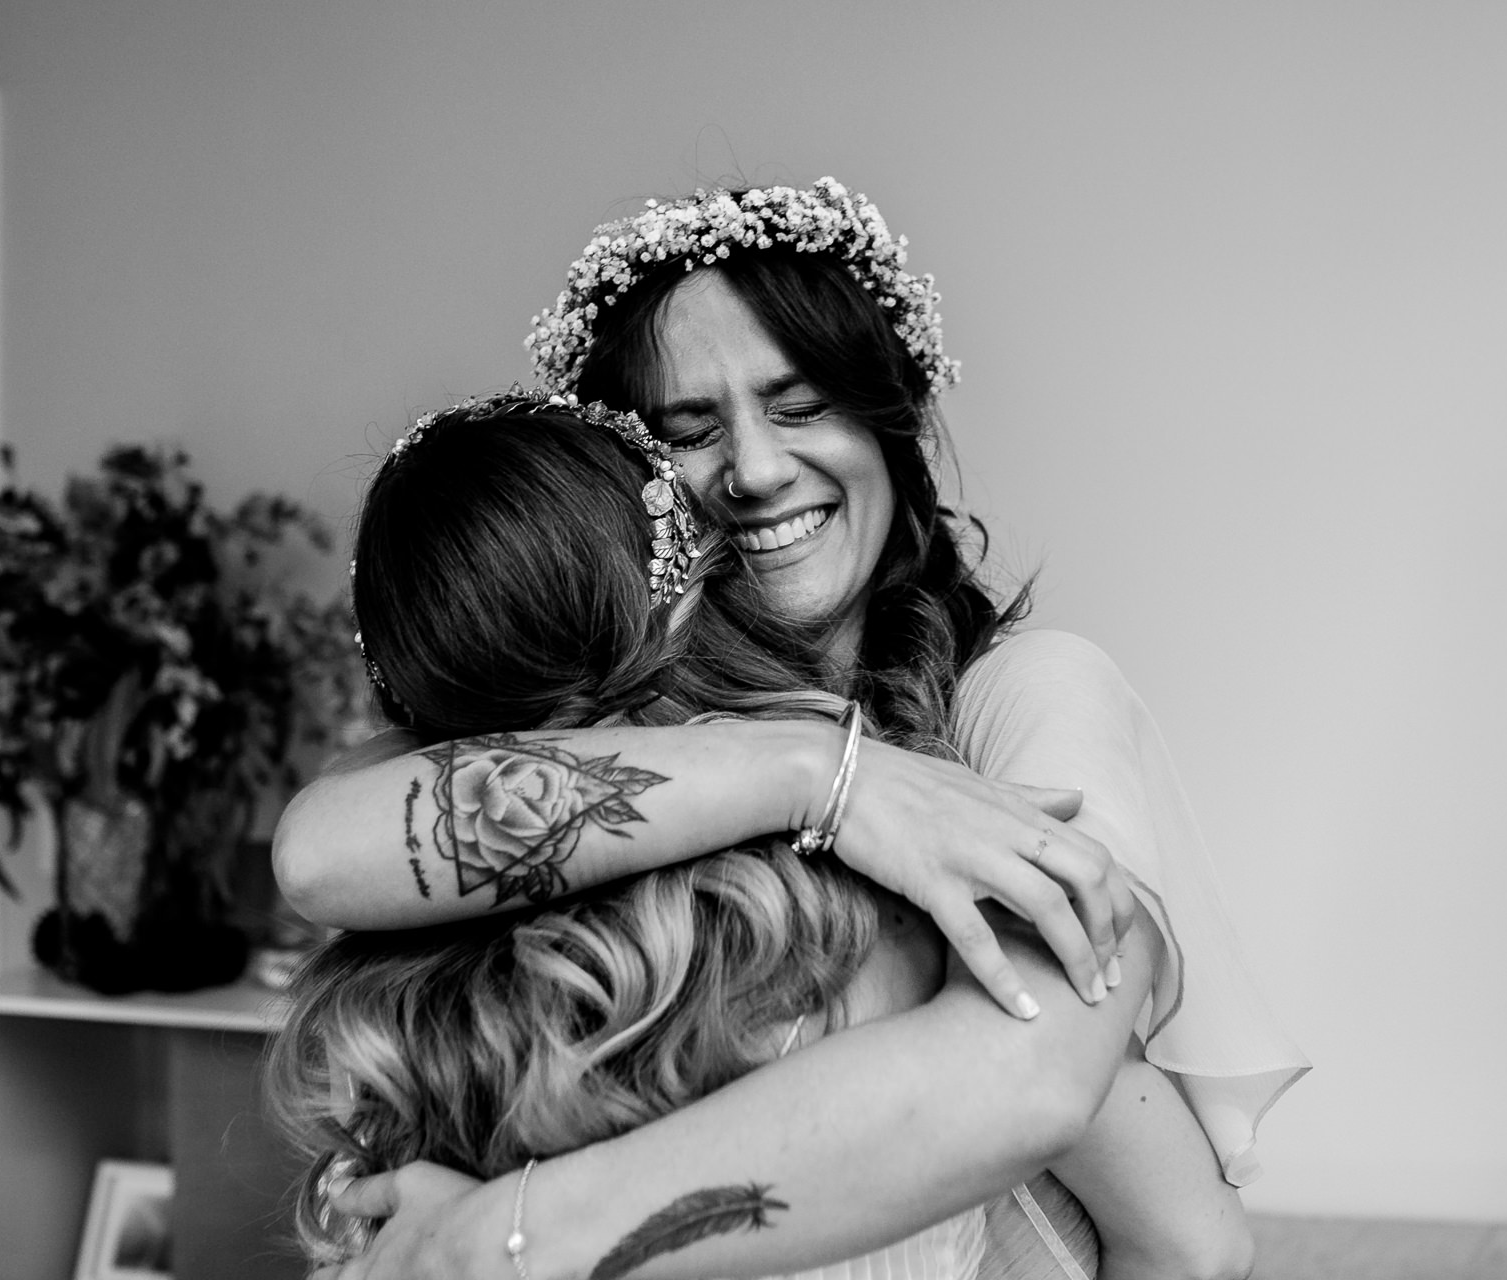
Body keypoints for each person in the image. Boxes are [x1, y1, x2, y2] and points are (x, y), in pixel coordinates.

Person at [274, 179, 1305, 1279]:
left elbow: (1060, 1096)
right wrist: (827, 776)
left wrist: (508, 1234)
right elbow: (319, 849)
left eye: (803, 404)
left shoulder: (1024, 698)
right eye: (689, 428)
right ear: (631, 483)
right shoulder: (615, 739)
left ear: (891, 427)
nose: (758, 471)